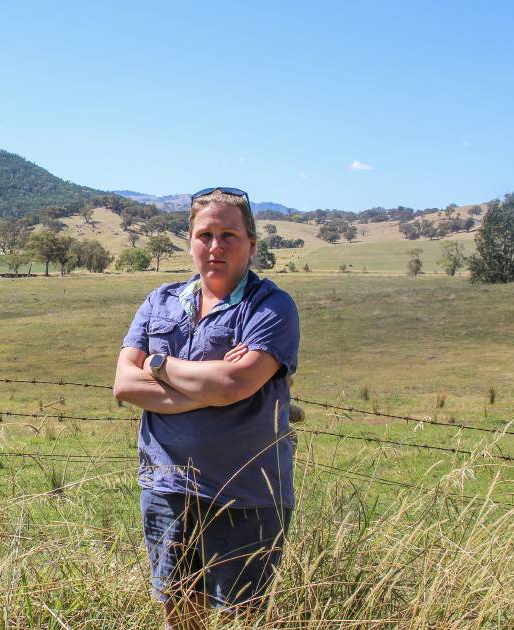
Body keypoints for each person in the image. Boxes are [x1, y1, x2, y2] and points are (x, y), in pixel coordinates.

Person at [113, 187, 300, 628]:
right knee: (179, 611)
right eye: (205, 234)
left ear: (252, 244)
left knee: (244, 616)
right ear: (190, 240)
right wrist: (208, 383)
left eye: (229, 235)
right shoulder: (159, 300)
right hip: (166, 485)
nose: (216, 246)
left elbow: (234, 383)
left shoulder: (271, 307)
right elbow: (123, 383)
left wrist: (156, 365)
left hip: (247, 493)